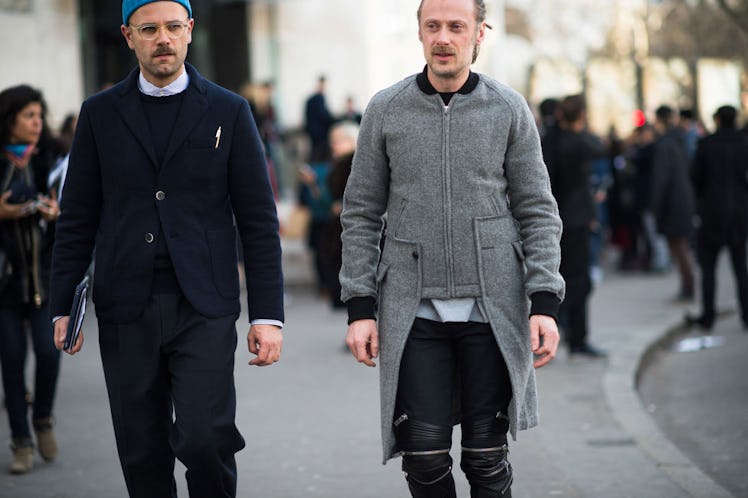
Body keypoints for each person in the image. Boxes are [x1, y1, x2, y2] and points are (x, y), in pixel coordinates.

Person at [48, 1, 284, 496]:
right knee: (142, 452)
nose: (163, 39)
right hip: (125, 304)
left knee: (204, 438)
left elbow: (258, 221)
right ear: (128, 36)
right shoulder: (99, 114)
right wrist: (62, 305)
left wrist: (268, 314)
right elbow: (77, 218)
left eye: (174, 27)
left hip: (203, 303)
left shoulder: (228, 110)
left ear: (190, 31)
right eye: (149, 29)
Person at [339, 0, 565, 496]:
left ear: (479, 34)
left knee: (485, 459)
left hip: (493, 308)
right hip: (413, 311)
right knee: (423, 458)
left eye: (456, 27)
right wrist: (360, 305)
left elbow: (537, 209)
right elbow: (359, 212)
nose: (444, 37)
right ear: (419, 32)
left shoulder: (507, 108)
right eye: (433, 26)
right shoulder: (386, 109)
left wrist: (544, 301)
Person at [0, 84, 62, 474]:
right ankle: (21, 441)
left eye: (40, 116)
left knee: (48, 352)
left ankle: (42, 418)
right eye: (29, 116)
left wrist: (58, 212)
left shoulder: (51, 158)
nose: (38, 124)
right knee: (11, 361)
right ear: (10, 120)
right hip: (4, 283)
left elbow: (76, 204)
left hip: (45, 279)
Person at [542, 94, 606, 358]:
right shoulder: (579, 143)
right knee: (579, 281)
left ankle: (559, 331)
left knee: (559, 277)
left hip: (556, 218)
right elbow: (601, 146)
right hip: (577, 219)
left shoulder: (550, 140)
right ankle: (576, 337)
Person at [687, 105, 748, 331]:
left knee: (709, 269)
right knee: (741, 267)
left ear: (718, 120)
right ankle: (746, 314)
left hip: (712, 214)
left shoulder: (707, 144)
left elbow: (695, 177)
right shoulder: (744, 143)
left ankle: (708, 315)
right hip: (739, 214)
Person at [650, 105, 696, 301]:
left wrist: (654, 204)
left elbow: (661, 178)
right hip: (683, 198)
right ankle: (688, 285)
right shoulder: (680, 140)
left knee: (678, 247)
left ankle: (688, 287)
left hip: (671, 202)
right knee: (680, 246)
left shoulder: (665, 144)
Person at [324, 121, 359, 309]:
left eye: (338, 141)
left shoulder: (355, 163)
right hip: (339, 231)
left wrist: (343, 206)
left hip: (352, 231)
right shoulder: (339, 164)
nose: (333, 145)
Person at [304, 75, 335, 162]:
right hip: (320, 134)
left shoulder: (310, 99)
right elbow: (324, 116)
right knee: (319, 156)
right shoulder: (319, 98)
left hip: (314, 133)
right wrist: (335, 120)